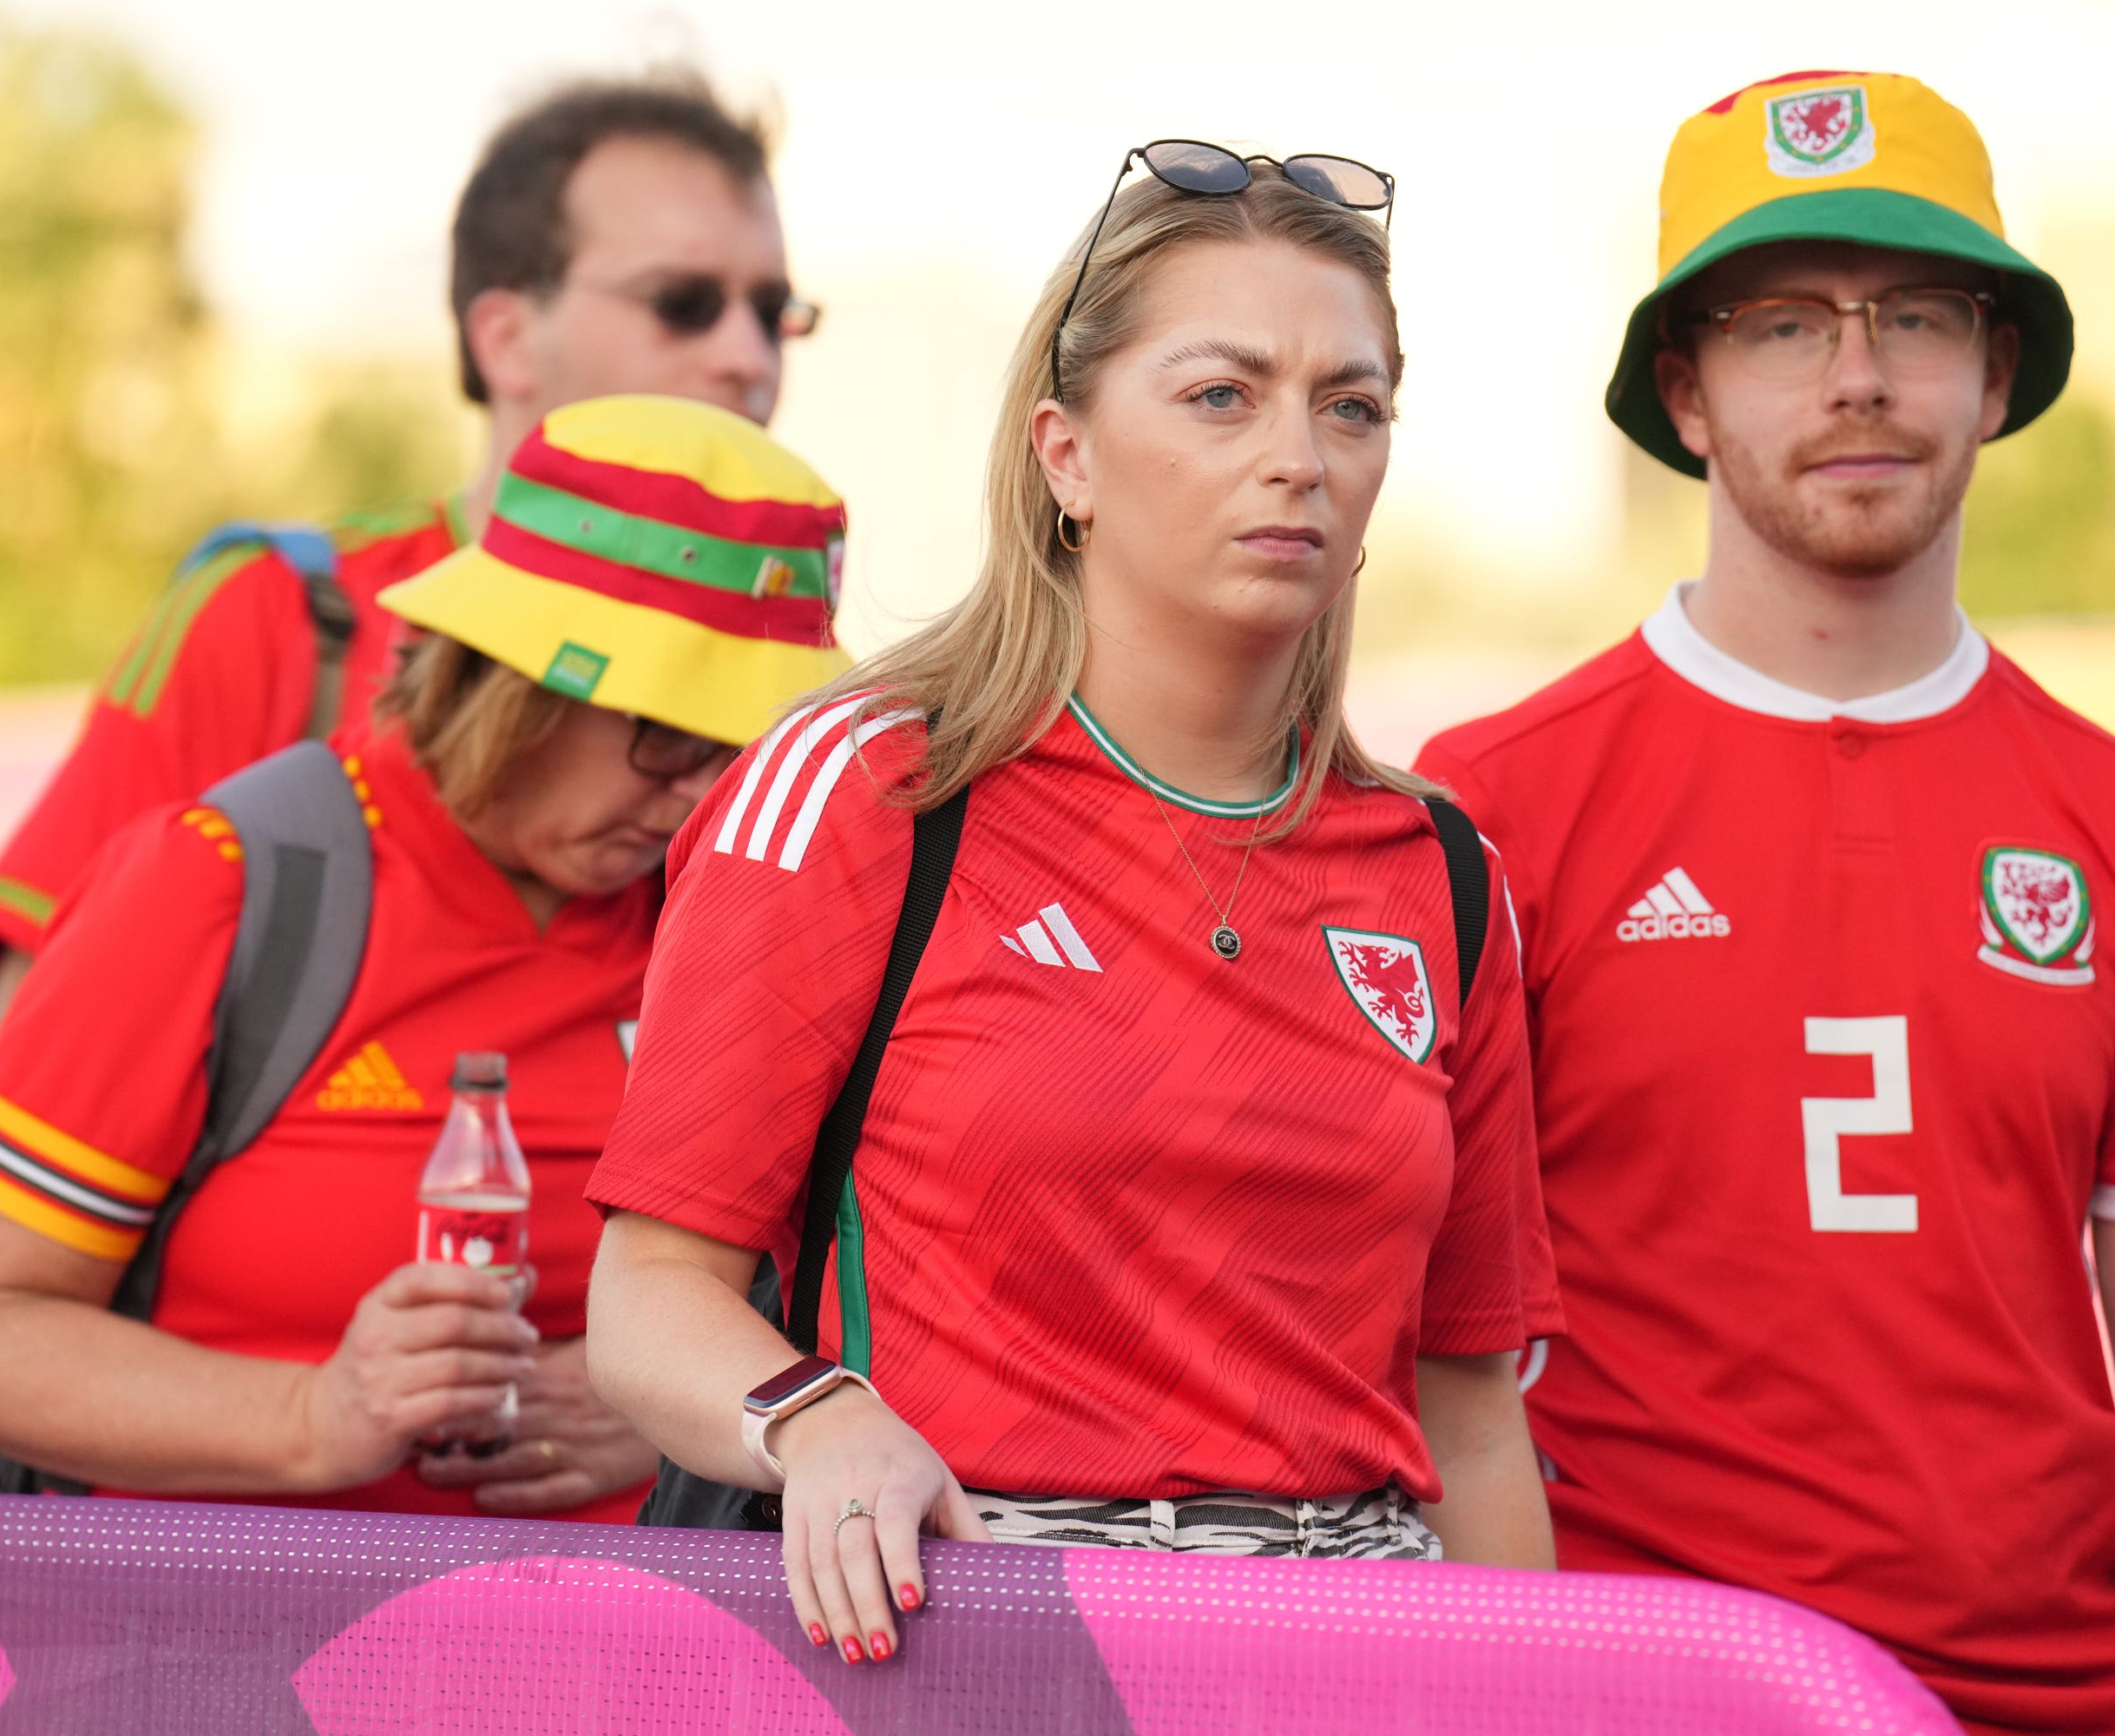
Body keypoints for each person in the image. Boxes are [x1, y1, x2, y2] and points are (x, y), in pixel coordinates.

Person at [586, 142, 1560, 1667]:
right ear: (1067, 455)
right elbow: (649, 1296)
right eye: (1221, 394)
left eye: (1351, 404)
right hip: (964, 1645)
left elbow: (1474, 1415)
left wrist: (1537, 1699)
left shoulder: (1445, 875)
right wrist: (815, 1419)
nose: (1298, 453)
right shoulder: (865, 786)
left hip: (1351, 1658)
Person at [1416, 72, 2115, 1736]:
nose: (1858, 375)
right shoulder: (1494, 806)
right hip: (1649, 1701)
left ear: (1996, 372)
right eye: (1781, 325)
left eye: (1916, 314)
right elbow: (1429, 1369)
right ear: (1684, 388)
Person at [0, 397, 852, 1520]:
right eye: (669, 736)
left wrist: (685, 1409)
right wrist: (316, 1416)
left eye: (745, 749)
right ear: (509, 679)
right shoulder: (220, 885)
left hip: (612, 1676)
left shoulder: (741, 908)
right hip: (223, 1667)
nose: (703, 792)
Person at [0, 70, 814, 1050]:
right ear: (503, 338)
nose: (750, 356)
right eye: (685, 302)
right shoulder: (282, 613)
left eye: (778, 311)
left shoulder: (793, 655)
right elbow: (28, 1049)